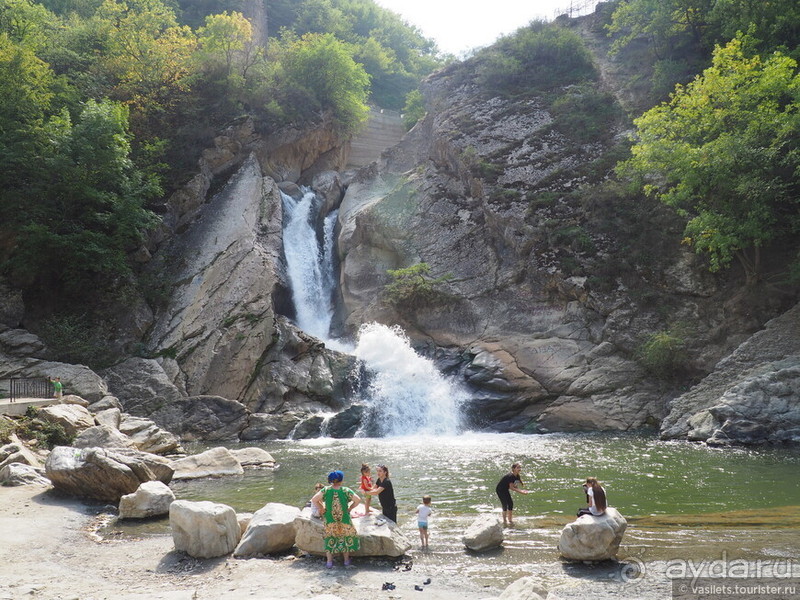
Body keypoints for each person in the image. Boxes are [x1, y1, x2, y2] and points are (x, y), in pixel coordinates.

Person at [312, 470, 362, 568]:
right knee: (345, 537)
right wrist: (350, 508)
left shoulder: (326, 490)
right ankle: (346, 561)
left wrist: (321, 508)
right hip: (344, 518)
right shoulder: (346, 490)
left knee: (329, 537)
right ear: (341, 480)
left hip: (330, 518)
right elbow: (358, 500)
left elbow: (314, 500)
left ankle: (329, 562)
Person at [495, 462, 530, 527]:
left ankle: (510, 520)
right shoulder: (510, 476)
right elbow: (511, 487)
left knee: (510, 503)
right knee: (505, 504)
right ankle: (504, 521)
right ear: (513, 469)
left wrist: (522, 490)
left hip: (505, 489)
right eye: (518, 467)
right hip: (500, 490)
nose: (519, 469)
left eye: (520, 467)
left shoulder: (517, 476)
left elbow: (515, 486)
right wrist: (521, 492)